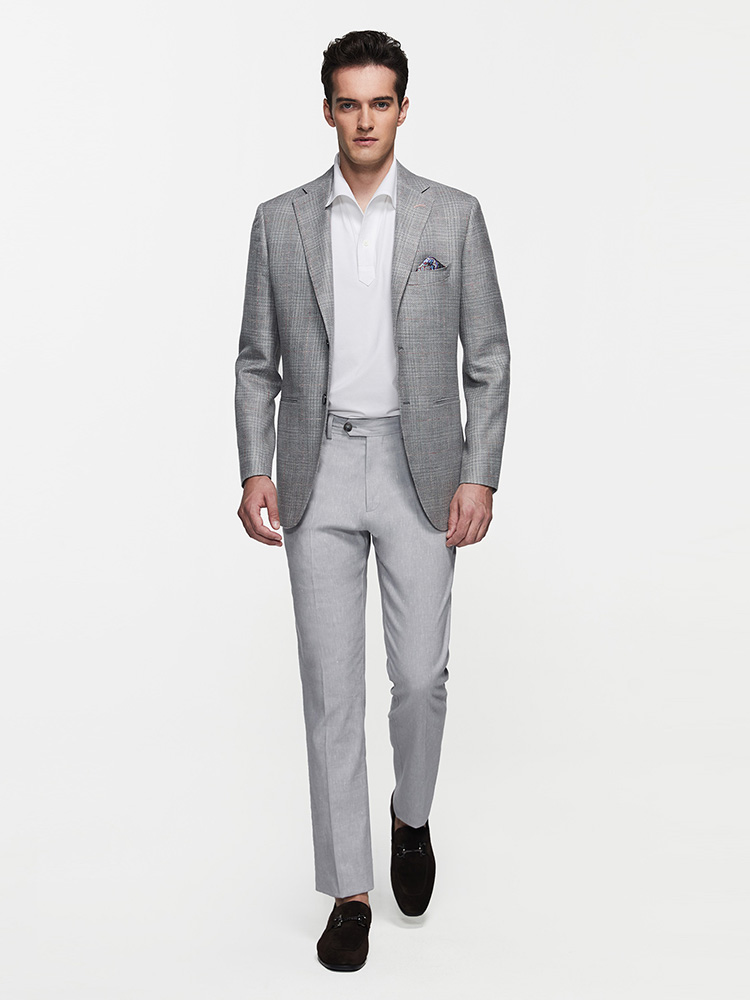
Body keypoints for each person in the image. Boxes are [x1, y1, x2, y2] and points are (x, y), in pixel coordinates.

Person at [234, 29, 510, 972]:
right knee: (330, 689)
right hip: (315, 468)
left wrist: (479, 473)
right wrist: (254, 465)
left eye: (379, 103)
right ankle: (349, 891)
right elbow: (256, 362)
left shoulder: (452, 218)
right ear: (327, 110)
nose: (364, 120)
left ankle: (410, 817)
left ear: (402, 109)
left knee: (421, 678)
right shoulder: (279, 222)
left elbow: (489, 357)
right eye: (348, 103)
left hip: (419, 467)